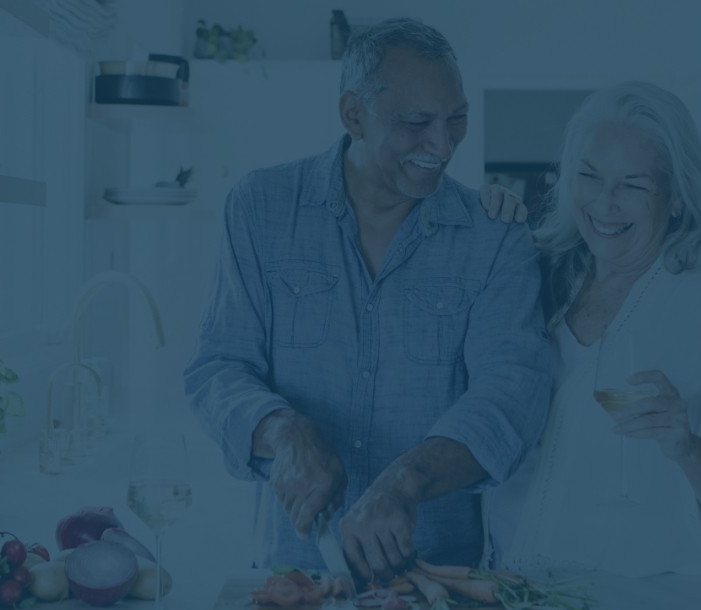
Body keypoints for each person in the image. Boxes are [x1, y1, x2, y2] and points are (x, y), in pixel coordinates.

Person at [183, 18, 552, 581]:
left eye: (457, 120)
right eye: (415, 123)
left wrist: (407, 479)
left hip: (437, 583)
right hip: (293, 577)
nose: (443, 144)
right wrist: (283, 431)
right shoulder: (260, 208)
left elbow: (510, 396)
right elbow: (218, 368)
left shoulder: (496, 237)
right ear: (353, 114)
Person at [481, 81, 701, 576]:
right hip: (509, 584)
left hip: (630, 601)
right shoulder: (541, 271)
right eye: (590, 176)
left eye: (633, 185)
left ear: (676, 197)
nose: (605, 203)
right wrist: (483, 220)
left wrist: (686, 446)